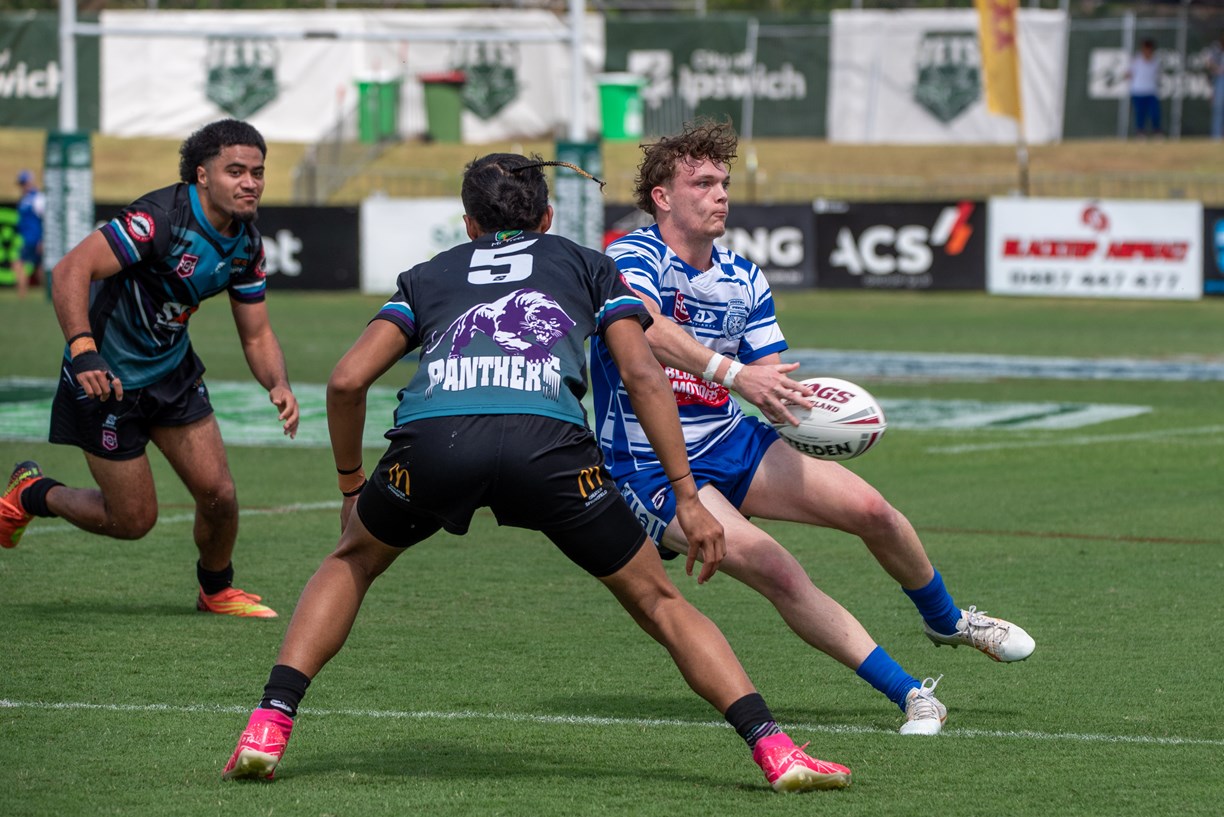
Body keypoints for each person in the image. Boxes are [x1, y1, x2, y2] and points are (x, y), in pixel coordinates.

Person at [221, 153, 851, 793]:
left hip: (437, 443)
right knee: (658, 602)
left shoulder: (428, 274)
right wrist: (688, 498)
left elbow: (346, 381)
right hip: (549, 449)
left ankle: (268, 724)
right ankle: (775, 750)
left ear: (468, 224)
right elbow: (642, 375)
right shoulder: (590, 265)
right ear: (547, 218)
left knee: (352, 561)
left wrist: (352, 486)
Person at [589, 118, 1035, 736]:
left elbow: (768, 374)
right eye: (703, 183)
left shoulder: (744, 277)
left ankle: (947, 619)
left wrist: (803, 407)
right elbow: (646, 328)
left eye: (724, 183)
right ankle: (912, 695)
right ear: (662, 197)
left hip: (730, 438)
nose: (721, 195)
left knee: (873, 510)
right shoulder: (629, 257)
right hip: (649, 465)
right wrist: (735, 374)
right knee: (778, 569)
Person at [0, 119, 299, 618]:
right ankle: (31, 494)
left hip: (172, 373)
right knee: (132, 520)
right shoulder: (159, 220)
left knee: (219, 495)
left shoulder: (246, 243)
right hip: (105, 380)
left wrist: (278, 383)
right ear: (202, 175)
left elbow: (257, 334)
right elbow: (71, 269)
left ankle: (216, 589)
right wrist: (83, 349)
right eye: (236, 171)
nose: (250, 183)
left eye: (258, 172)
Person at [13, 169, 46, 299]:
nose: (23, 186)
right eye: (21, 184)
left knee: (18, 264)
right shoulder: (25, 199)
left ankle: (22, 293)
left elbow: (44, 220)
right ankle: (47, 293)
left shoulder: (37, 198)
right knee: (39, 268)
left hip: (34, 239)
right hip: (27, 239)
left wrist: (42, 239)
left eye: (24, 183)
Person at [1127, 39, 1162, 139]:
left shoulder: (1156, 61)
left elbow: (1158, 75)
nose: (1147, 52)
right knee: (1140, 114)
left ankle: (1157, 132)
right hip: (1138, 92)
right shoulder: (1136, 60)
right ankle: (1140, 133)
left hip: (1151, 91)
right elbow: (1129, 73)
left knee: (1155, 113)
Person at [1208, 31, 1224, 141]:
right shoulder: (1216, 49)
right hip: (1220, 79)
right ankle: (1216, 135)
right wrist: (1218, 69)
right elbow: (1209, 62)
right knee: (1218, 108)